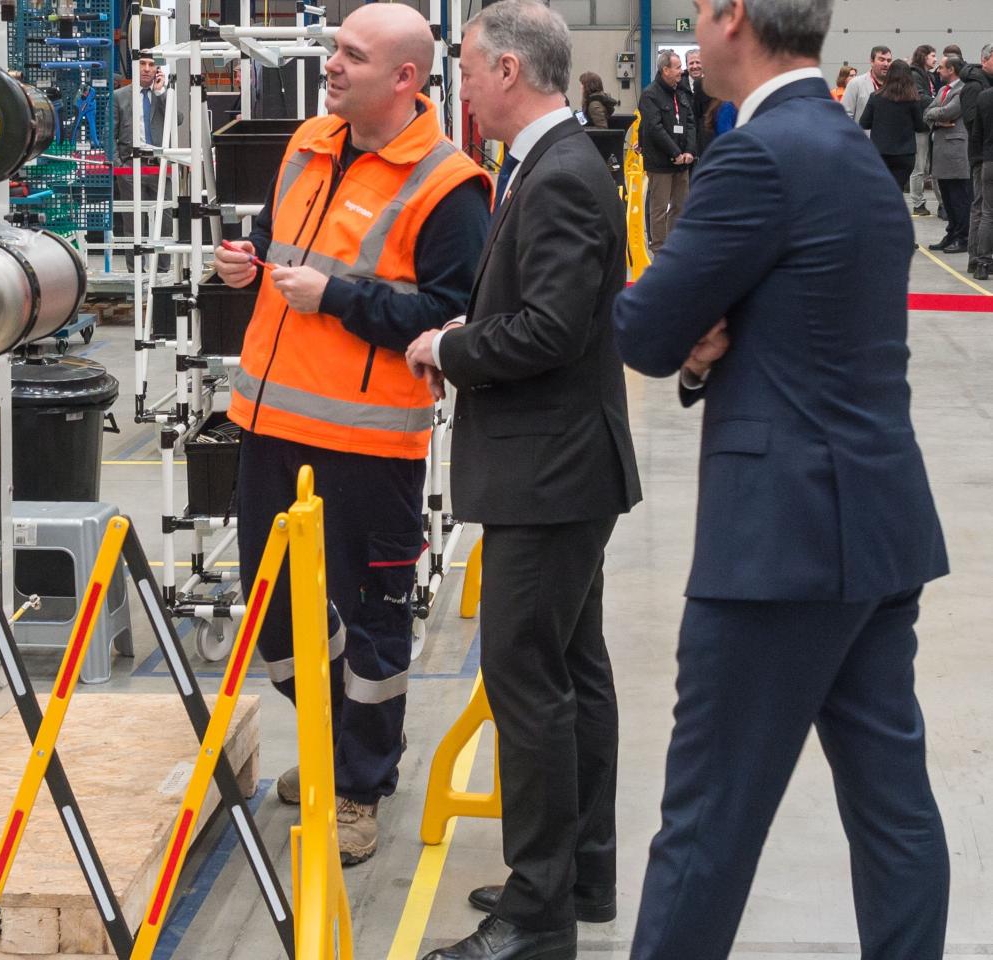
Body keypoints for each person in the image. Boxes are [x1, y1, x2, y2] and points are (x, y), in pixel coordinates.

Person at [612, 0, 952, 956]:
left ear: (734, 19)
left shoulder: (756, 156)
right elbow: (812, 331)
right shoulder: (849, 154)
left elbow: (643, 327)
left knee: (708, 822)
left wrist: (684, 338)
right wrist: (706, 350)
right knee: (894, 814)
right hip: (877, 525)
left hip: (780, 543)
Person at [213, 1, 490, 866]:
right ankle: (337, 746)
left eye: (352, 55)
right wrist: (244, 262)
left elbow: (453, 316)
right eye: (335, 49)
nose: (331, 65)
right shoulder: (307, 142)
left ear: (405, 79)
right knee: (271, 613)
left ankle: (361, 787)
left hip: (370, 445)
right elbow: (276, 242)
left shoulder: (449, 186)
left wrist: (334, 300)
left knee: (371, 623)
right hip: (269, 423)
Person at [405, 2, 640, 956]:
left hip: (552, 471)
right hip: (560, 468)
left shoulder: (560, 177)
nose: (457, 84)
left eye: (464, 65)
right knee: (573, 675)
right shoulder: (545, 166)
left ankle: (536, 914)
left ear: (508, 70)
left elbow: (552, 328)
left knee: (525, 681)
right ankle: (581, 876)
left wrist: (450, 344)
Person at [112, 58, 172, 268]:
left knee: (164, 221)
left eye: (151, 64)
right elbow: (109, 132)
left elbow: (179, 119)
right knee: (133, 222)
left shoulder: (164, 94)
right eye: (142, 63)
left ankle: (164, 272)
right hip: (130, 167)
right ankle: (134, 272)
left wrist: (161, 93)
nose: (146, 69)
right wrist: (118, 165)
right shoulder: (119, 97)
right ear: (135, 66)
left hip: (159, 166)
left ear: (158, 69)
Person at [639, 50, 698, 248]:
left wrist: (689, 152)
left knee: (680, 207)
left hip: (682, 163)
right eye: (678, 67)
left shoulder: (681, 93)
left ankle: (675, 246)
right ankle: (659, 249)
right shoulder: (650, 95)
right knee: (659, 209)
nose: (681, 71)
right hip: (661, 163)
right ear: (665, 70)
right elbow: (655, 129)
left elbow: (690, 122)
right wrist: (675, 153)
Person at [860, 58, 930, 191]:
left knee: (881, 190)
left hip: (880, 152)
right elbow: (920, 126)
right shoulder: (913, 98)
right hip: (905, 154)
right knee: (897, 190)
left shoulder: (875, 97)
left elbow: (864, 123)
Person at [925, 56, 972, 253]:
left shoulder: (962, 90)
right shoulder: (945, 90)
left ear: (951, 69)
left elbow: (948, 112)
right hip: (943, 154)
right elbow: (926, 111)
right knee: (947, 197)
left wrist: (934, 116)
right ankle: (952, 232)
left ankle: (963, 237)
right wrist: (936, 118)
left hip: (956, 153)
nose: (938, 71)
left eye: (941, 68)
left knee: (959, 198)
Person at [958, 47, 988, 268]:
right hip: (981, 154)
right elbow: (971, 122)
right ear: (984, 60)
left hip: (985, 152)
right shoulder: (974, 87)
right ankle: (976, 257)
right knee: (980, 205)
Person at [908, 44, 941, 215]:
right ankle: (918, 203)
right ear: (924, 56)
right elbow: (920, 97)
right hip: (920, 127)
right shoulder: (915, 74)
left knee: (928, 167)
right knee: (919, 167)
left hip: (927, 124)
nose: (935, 59)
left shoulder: (926, 75)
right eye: (933, 55)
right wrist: (940, 103)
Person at [971, 45, 993, 278]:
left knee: (987, 213)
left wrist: (976, 160)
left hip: (988, 161)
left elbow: (976, 133)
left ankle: (983, 263)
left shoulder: (984, 97)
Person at [841, 44, 891, 130]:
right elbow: (845, 115)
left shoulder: (895, 86)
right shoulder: (856, 84)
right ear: (872, 61)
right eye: (881, 59)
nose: (886, 64)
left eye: (889, 60)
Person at [684, 48, 713, 132]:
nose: (695, 66)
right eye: (691, 63)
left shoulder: (713, 86)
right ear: (686, 66)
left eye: (698, 62)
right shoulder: (678, 86)